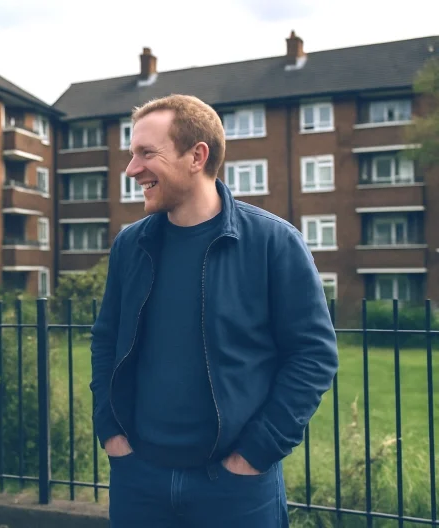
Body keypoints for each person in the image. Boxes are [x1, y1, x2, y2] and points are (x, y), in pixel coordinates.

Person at [90, 94, 339, 527]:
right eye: (132, 155)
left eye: (147, 153)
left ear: (197, 156)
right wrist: (112, 435)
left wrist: (252, 457)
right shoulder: (131, 245)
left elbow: (313, 357)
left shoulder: (273, 243)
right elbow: (106, 340)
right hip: (139, 482)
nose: (132, 169)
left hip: (236, 489)